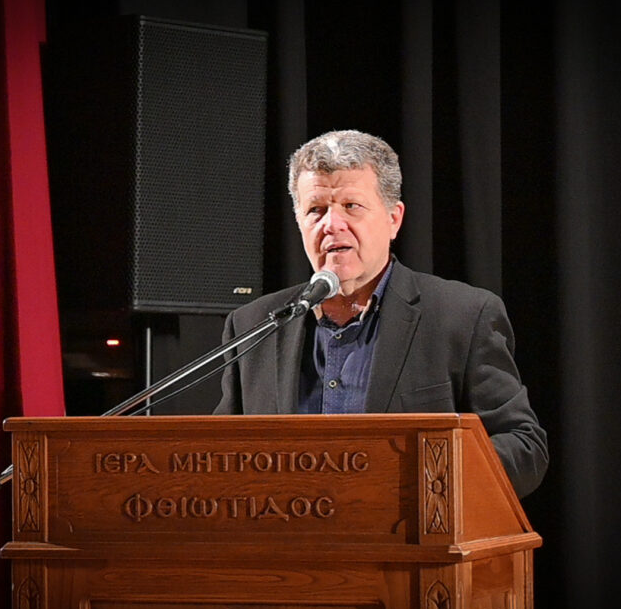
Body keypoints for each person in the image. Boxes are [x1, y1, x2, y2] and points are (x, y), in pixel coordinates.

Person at [214, 130, 548, 497]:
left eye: (351, 206)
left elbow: (524, 448)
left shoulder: (462, 316)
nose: (332, 224)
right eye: (316, 210)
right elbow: (218, 457)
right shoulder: (254, 325)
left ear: (393, 219)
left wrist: (426, 476)